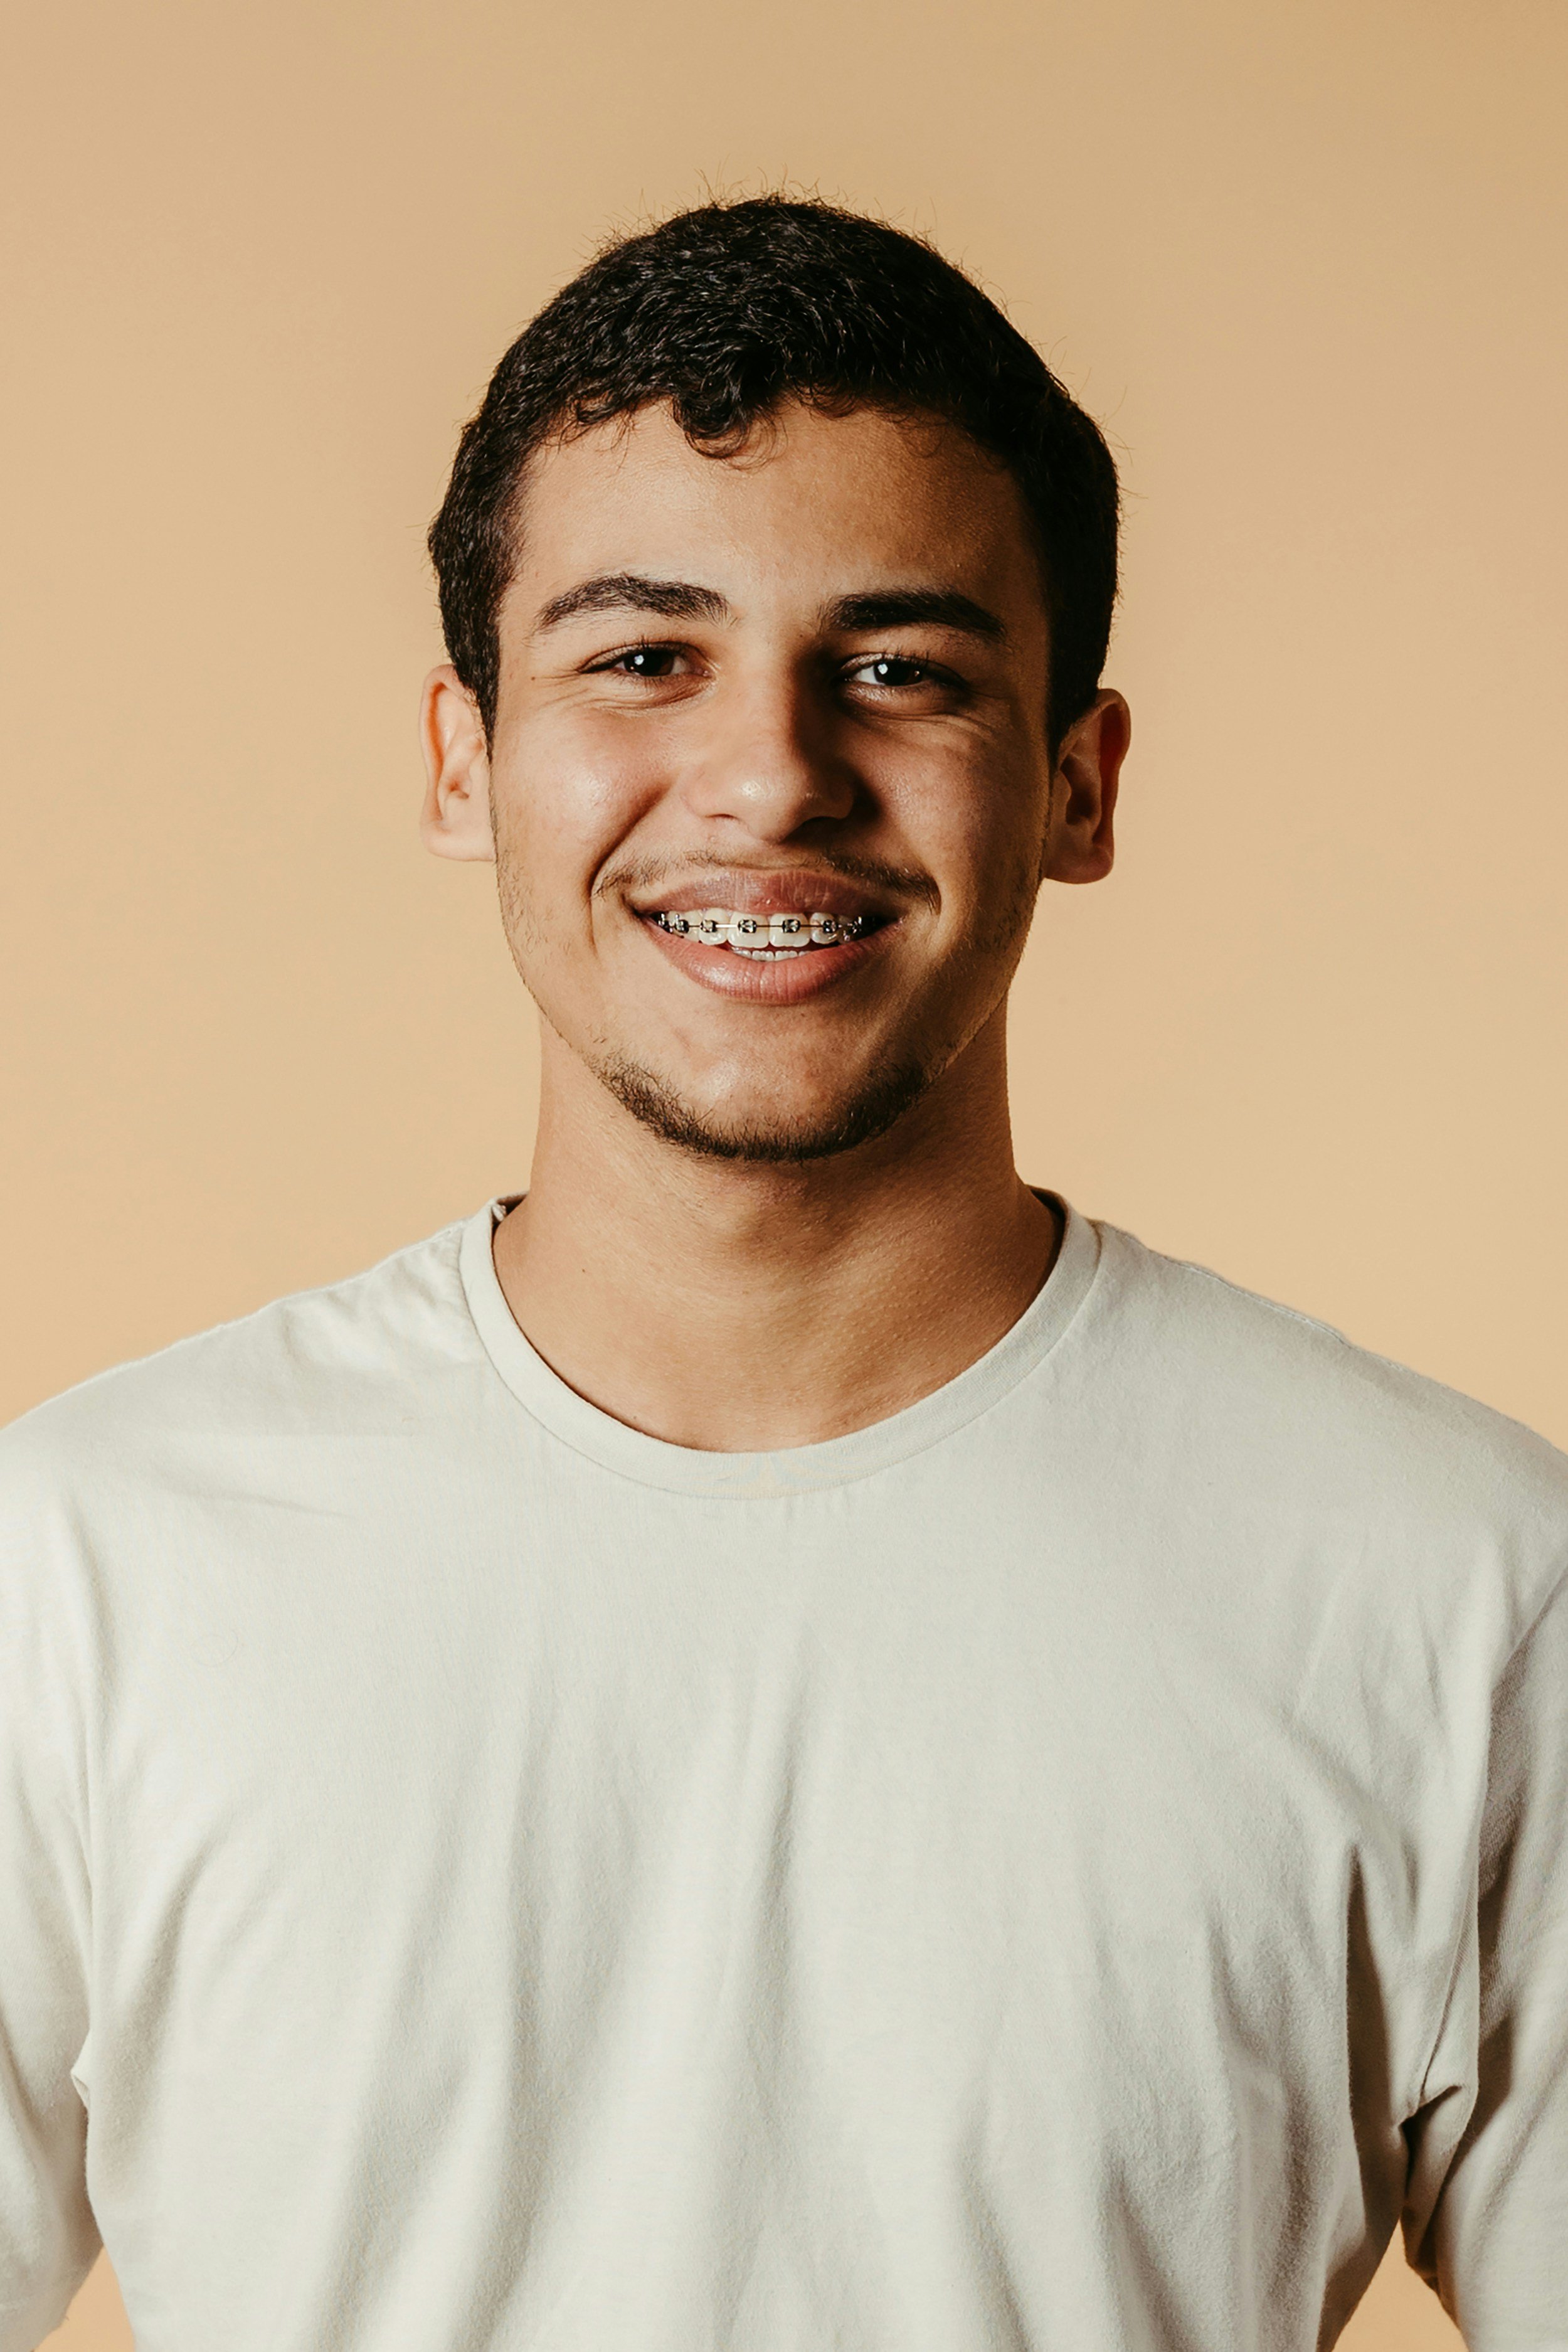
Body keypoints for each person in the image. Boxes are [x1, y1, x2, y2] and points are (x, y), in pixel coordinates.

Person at [2, 196, 1564, 2352]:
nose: (766, 777)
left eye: (902, 671)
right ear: (466, 760)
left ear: (1074, 784)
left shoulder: (1463, 1586)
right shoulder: (85, 1568)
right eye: (643, 658)